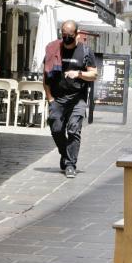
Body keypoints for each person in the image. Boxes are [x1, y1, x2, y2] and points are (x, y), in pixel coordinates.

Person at [43, 20, 97, 178]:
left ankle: (70, 164)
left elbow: (94, 74)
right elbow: (45, 77)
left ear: (77, 35)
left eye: (69, 36)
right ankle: (65, 154)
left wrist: (79, 74)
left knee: (73, 129)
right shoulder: (53, 49)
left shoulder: (85, 51)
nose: (66, 38)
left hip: (77, 98)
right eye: (63, 35)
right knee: (56, 128)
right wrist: (50, 99)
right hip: (57, 98)